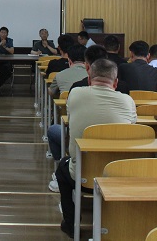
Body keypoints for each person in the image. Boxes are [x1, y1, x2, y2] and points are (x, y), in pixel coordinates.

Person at [55, 58, 136, 238]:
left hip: (82, 176)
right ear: (115, 82)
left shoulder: (75, 94)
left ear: (89, 79)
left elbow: (70, 118)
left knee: (62, 168)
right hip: (118, 173)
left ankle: (71, 224)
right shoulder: (127, 101)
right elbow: (132, 127)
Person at [47, 45, 109, 193]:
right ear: (115, 82)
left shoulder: (76, 90)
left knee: (54, 130)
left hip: (81, 153)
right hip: (113, 159)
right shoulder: (126, 96)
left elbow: (70, 118)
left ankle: (62, 166)